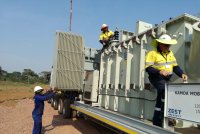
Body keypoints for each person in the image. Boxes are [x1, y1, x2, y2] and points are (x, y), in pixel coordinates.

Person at [145, 34, 188, 127]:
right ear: (160, 44)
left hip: (166, 79)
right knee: (165, 92)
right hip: (156, 77)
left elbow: (175, 67)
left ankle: (158, 120)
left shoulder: (170, 53)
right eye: (166, 45)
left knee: (164, 95)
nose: (168, 47)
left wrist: (182, 74)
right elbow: (148, 68)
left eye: (169, 45)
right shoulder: (152, 53)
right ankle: (162, 119)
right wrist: (159, 71)